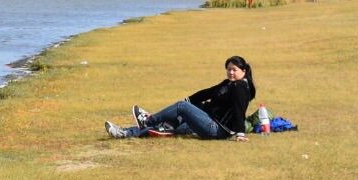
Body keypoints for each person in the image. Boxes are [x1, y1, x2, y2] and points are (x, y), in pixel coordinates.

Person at [105, 55, 256, 140]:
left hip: (216, 129)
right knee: (171, 125)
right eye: (228, 69)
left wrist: (240, 133)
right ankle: (124, 133)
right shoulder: (229, 83)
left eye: (234, 70)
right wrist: (189, 101)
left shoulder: (241, 87)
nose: (230, 73)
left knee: (180, 108)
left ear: (243, 70)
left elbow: (239, 110)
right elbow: (207, 93)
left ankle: (147, 120)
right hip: (210, 120)